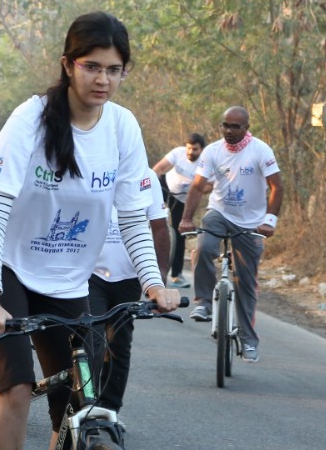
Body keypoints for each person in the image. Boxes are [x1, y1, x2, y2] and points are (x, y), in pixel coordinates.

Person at [0, 12, 179, 450]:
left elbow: (133, 214)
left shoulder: (123, 127)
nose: (102, 79)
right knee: (15, 389)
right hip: (1, 263)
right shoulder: (32, 118)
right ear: (68, 65)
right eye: (91, 67)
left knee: (83, 411)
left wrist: (153, 281)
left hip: (65, 279)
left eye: (114, 70)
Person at [178, 107, 282, 363]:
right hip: (220, 212)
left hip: (252, 222)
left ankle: (248, 341)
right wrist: (186, 218)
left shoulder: (260, 150)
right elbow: (197, 186)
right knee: (203, 247)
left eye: (235, 127)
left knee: (246, 284)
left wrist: (269, 220)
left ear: (246, 128)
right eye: (225, 125)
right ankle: (203, 300)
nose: (229, 131)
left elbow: (276, 186)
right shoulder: (213, 151)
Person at [87, 176, 170, 412]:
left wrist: (159, 280)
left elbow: (159, 227)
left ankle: (109, 409)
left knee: (119, 344)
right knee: (91, 342)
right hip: (90, 273)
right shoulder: (92, 164)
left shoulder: (146, 177)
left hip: (129, 276)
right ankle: (84, 408)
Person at [152, 132, 206, 287]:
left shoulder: (205, 162)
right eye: (189, 148)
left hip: (183, 198)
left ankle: (176, 275)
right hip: (165, 187)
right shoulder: (177, 152)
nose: (190, 152)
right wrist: (150, 183)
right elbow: (159, 168)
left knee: (180, 232)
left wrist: (196, 190)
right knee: (149, 220)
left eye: (194, 149)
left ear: (201, 150)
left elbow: (210, 185)